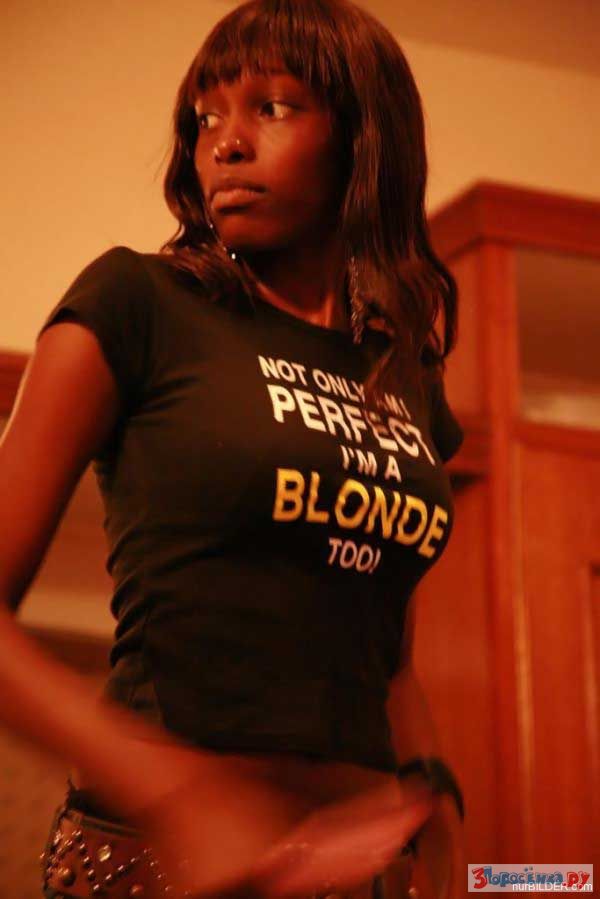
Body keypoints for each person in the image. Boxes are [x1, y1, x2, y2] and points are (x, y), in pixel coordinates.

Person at [0, 0, 467, 896]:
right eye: (206, 118)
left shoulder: (404, 371)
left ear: (363, 138)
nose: (226, 144)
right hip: (158, 862)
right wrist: (185, 796)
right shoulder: (138, 302)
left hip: (356, 871)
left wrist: (437, 807)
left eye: (272, 107)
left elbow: (390, 657)